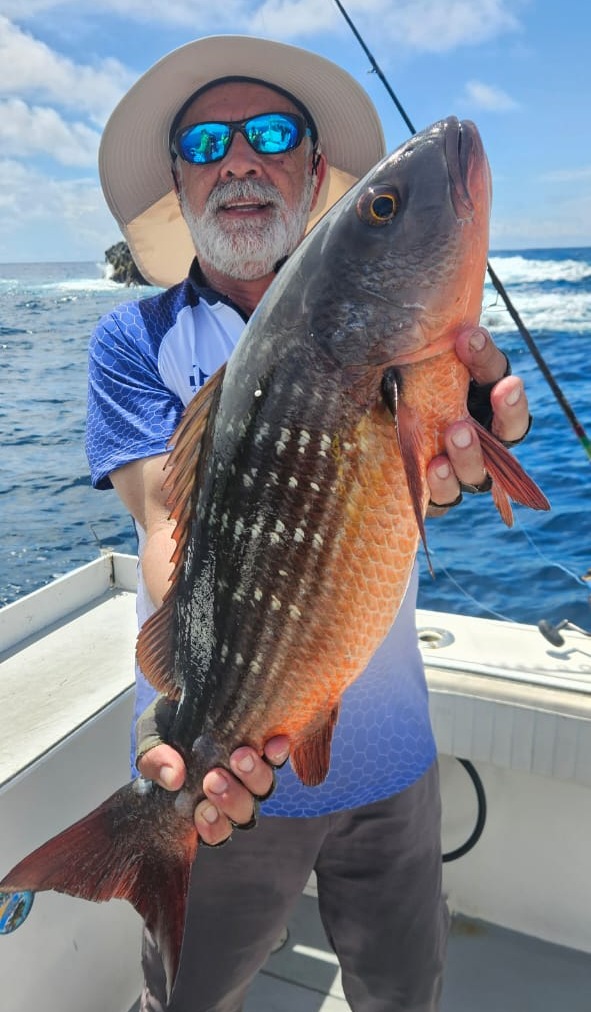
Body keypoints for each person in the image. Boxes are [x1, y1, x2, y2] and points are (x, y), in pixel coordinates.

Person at [86, 36, 531, 1012]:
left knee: (404, 989)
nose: (239, 158)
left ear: (314, 166)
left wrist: (476, 434)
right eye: (207, 142)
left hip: (391, 754)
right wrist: (198, 713)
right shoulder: (133, 340)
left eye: (271, 132)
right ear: (178, 180)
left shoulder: (397, 332)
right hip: (215, 757)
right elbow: (164, 519)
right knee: (193, 995)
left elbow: (439, 460)